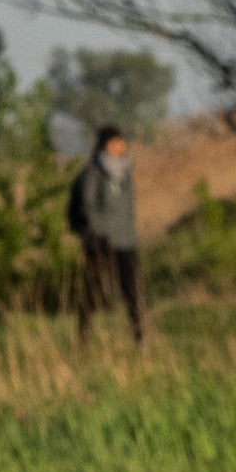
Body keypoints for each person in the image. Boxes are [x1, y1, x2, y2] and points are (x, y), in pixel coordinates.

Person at [67, 117, 157, 342]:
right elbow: (88, 208)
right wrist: (100, 233)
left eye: (122, 142)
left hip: (126, 240)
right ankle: (83, 336)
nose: (121, 146)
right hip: (101, 241)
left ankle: (140, 337)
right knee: (93, 292)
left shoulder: (125, 173)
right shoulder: (92, 173)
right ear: (105, 144)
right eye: (116, 142)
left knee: (134, 291)